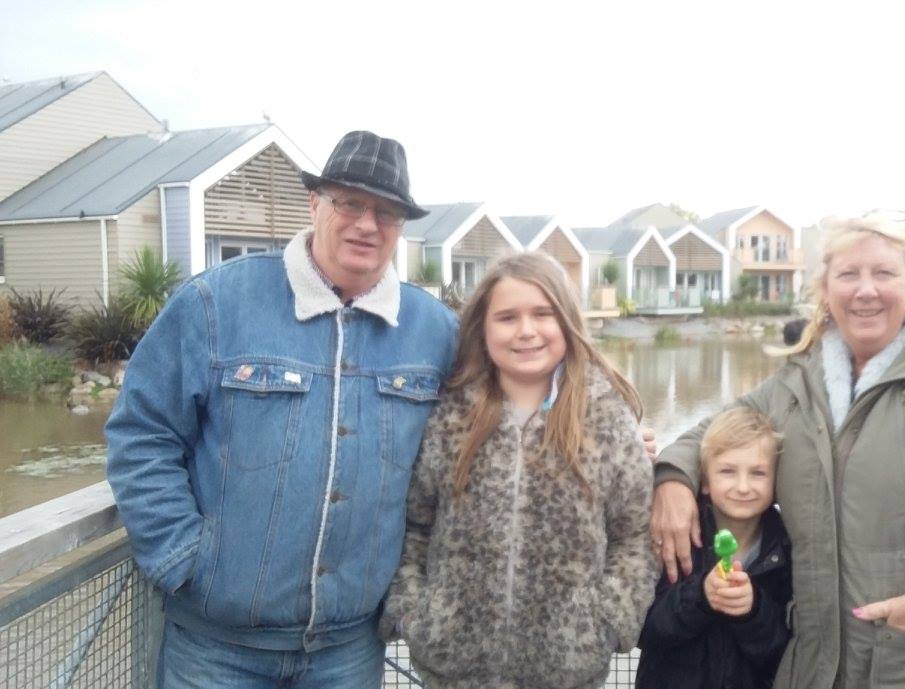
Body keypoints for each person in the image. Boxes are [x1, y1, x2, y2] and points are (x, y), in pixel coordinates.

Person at [651, 211, 905, 689]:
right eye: (848, 274)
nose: (866, 290)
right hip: (828, 665)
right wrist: (673, 479)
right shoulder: (798, 381)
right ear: (826, 289)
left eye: (884, 273)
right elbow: (709, 434)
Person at [106, 131, 456, 688]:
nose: (367, 224)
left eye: (387, 212)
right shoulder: (214, 303)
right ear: (315, 204)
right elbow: (142, 434)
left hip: (350, 650)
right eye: (350, 203)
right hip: (216, 649)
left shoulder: (437, 332)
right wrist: (182, 559)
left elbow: (504, 415)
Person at [378, 251, 657, 689]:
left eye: (543, 314)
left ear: (566, 320)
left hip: (568, 673)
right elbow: (415, 525)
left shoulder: (607, 421)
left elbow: (634, 536)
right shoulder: (449, 416)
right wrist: (414, 612)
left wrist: (609, 622)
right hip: (452, 671)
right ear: (483, 328)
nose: (526, 330)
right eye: (507, 317)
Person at [635, 407, 792, 689]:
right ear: (705, 482)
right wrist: (701, 597)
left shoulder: (787, 548)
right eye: (728, 472)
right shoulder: (671, 533)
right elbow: (643, 630)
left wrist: (752, 610)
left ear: (777, 483)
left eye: (758, 473)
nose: (743, 487)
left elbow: (784, 653)